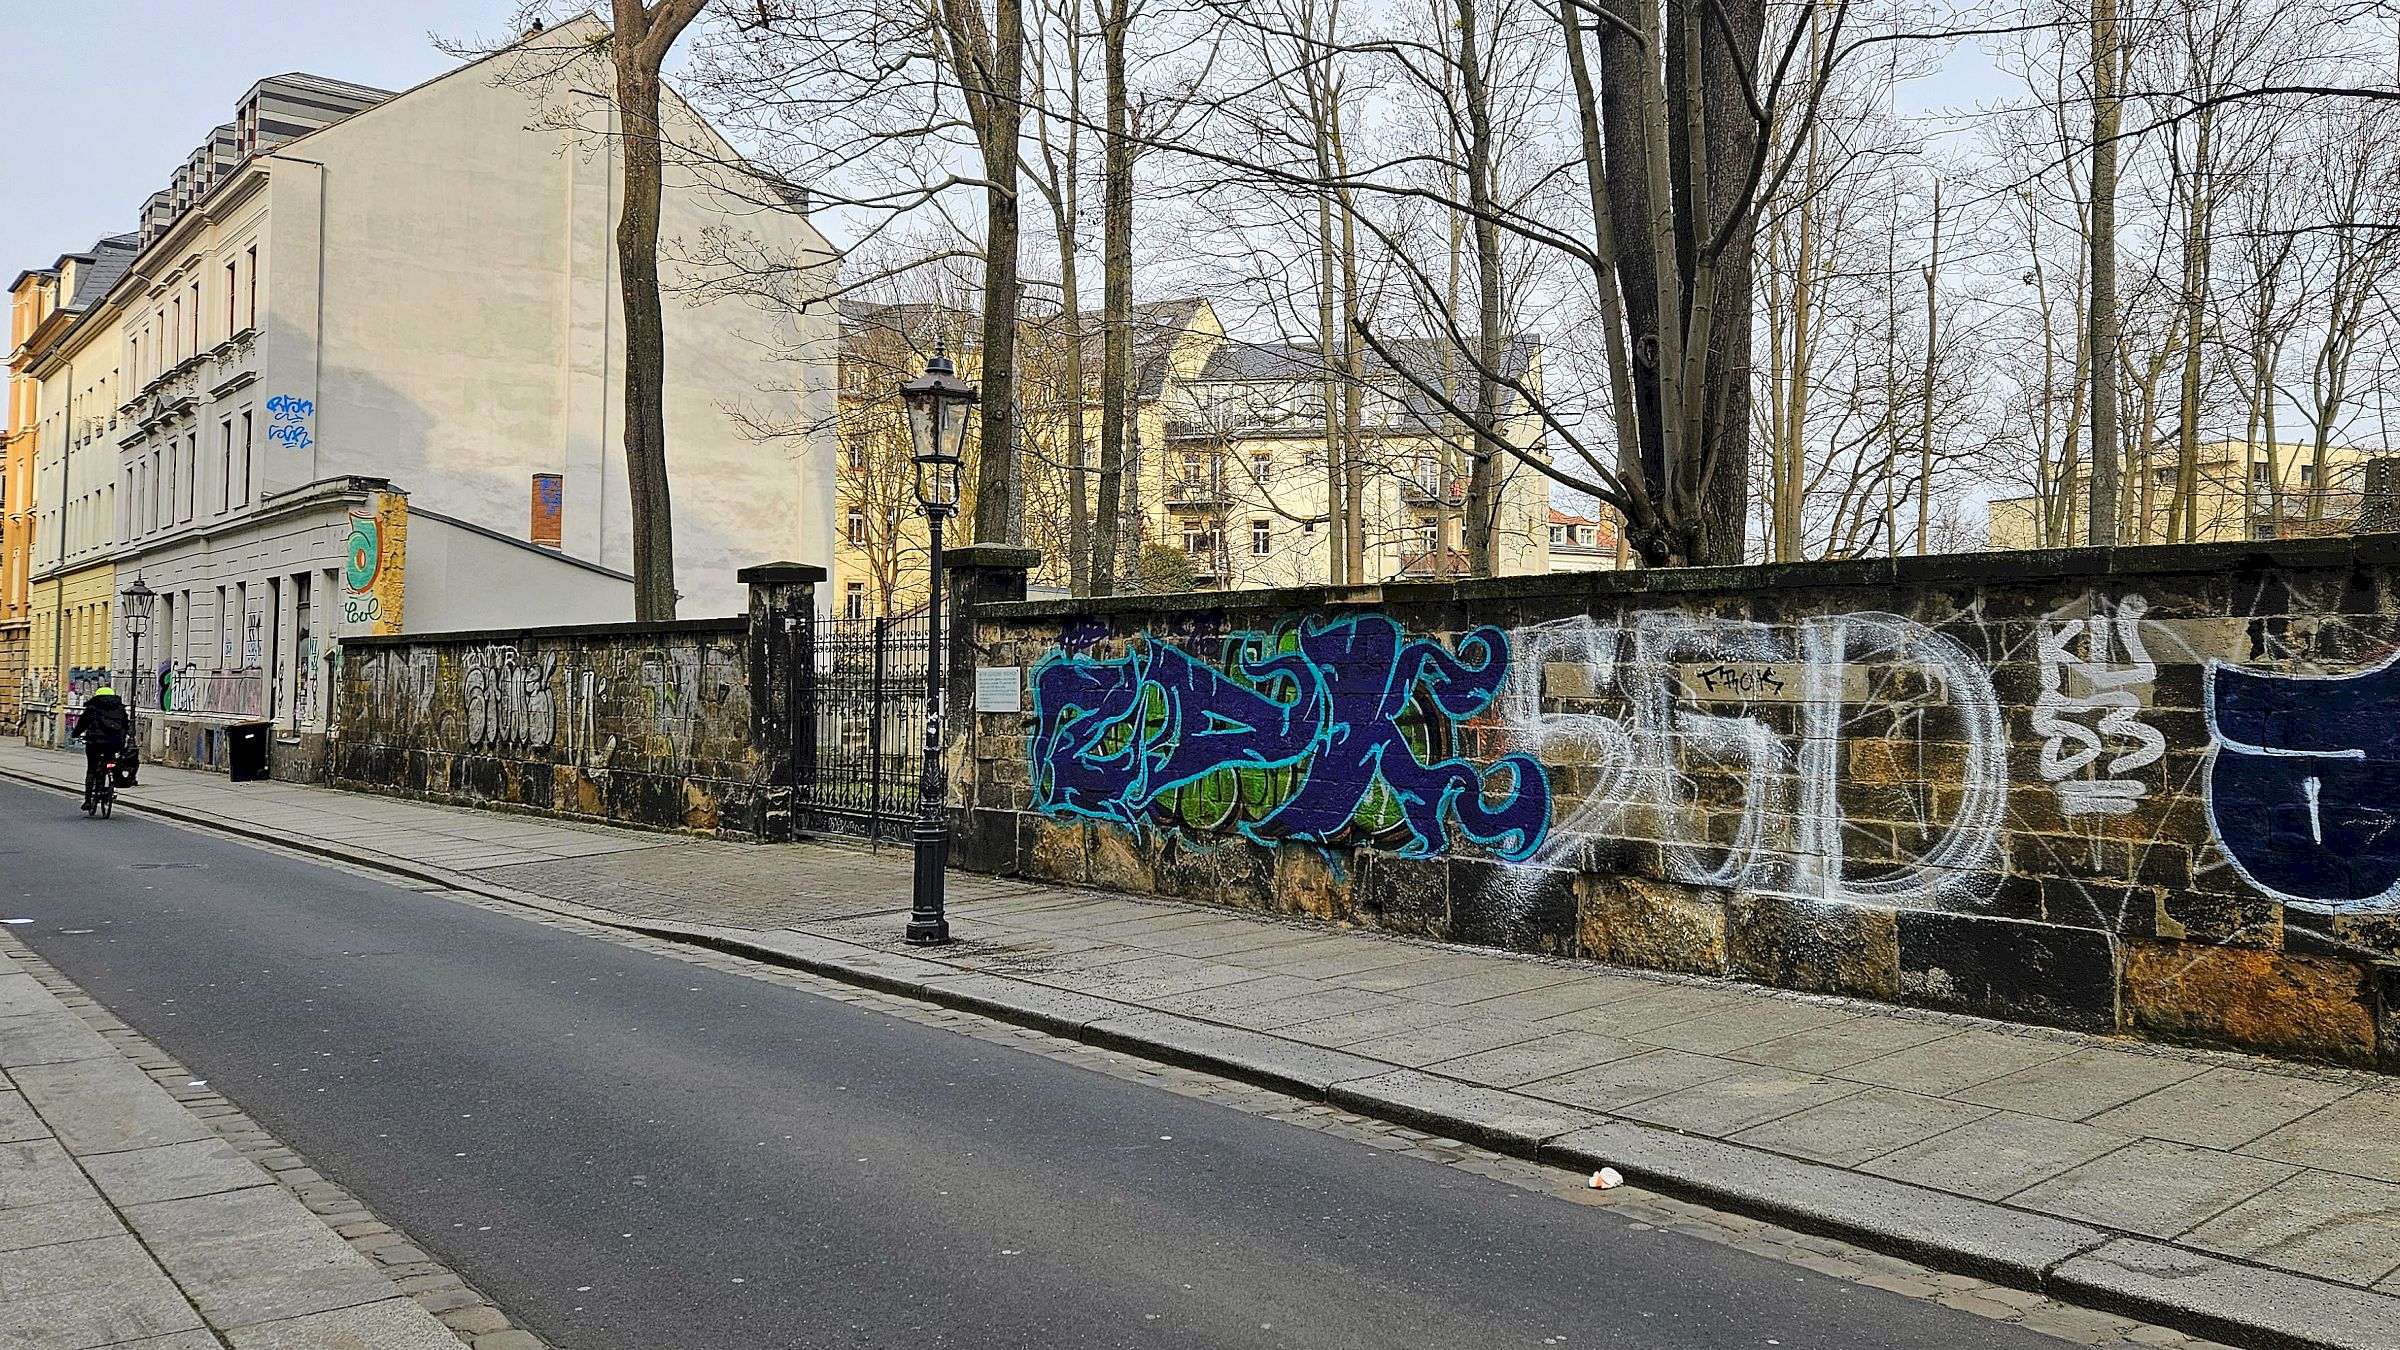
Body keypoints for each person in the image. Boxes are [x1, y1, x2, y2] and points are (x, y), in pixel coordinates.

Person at [77, 685, 130, 813]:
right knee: (112, 761)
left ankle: (88, 800)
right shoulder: (120, 709)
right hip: (115, 743)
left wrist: (75, 734)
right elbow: (126, 725)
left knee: (92, 769)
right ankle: (115, 781)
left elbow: (82, 724)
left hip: (95, 743)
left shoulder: (92, 708)